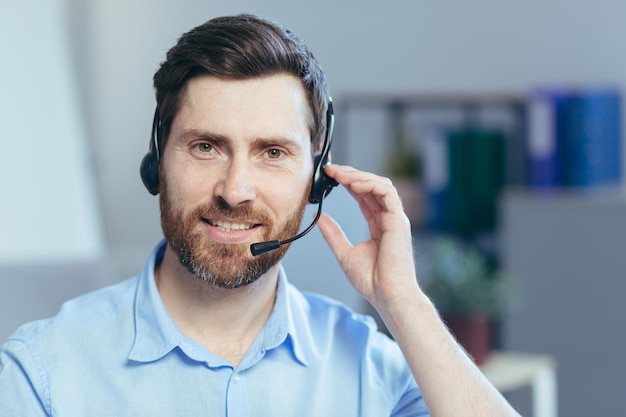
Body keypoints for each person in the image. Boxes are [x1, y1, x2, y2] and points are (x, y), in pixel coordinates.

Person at [0, 14, 519, 416]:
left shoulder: (369, 367)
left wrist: (404, 302)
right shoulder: (42, 371)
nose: (235, 191)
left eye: (272, 152)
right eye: (206, 146)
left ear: (317, 177)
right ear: (158, 159)